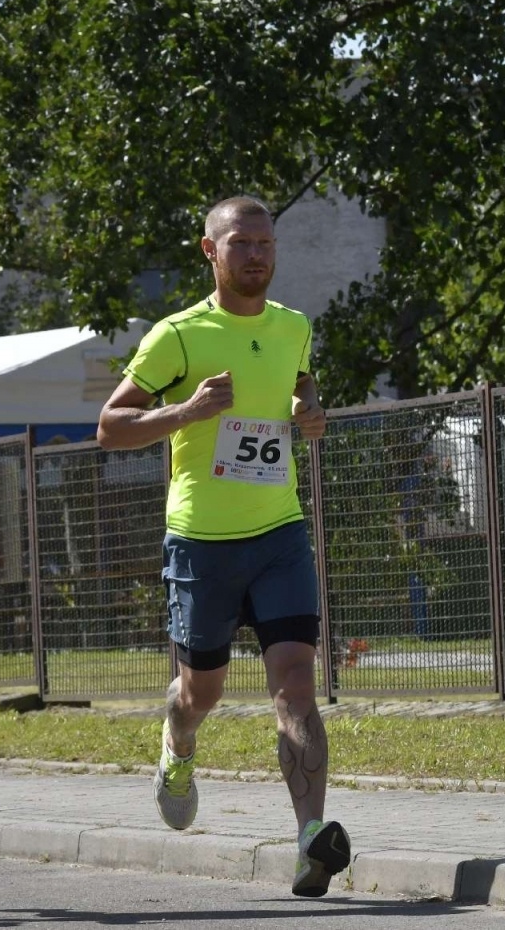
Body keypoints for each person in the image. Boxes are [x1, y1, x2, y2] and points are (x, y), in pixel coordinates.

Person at [96, 195, 344, 898]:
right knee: (198, 693)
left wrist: (309, 409)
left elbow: (299, 383)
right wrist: (188, 411)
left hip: (278, 534)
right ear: (211, 250)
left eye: (266, 243)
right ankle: (177, 747)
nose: (257, 255)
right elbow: (111, 427)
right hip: (202, 544)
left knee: (296, 688)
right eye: (241, 243)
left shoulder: (294, 326)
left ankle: (309, 842)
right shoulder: (178, 335)